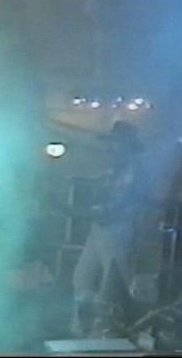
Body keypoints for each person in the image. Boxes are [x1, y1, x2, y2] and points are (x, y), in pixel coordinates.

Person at [70, 120, 150, 338]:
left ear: (126, 146)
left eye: (115, 143)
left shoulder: (134, 173)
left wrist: (92, 209)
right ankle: (87, 325)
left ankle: (109, 329)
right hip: (101, 229)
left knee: (114, 283)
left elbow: (121, 203)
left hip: (118, 230)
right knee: (82, 277)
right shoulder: (113, 171)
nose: (110, 148)